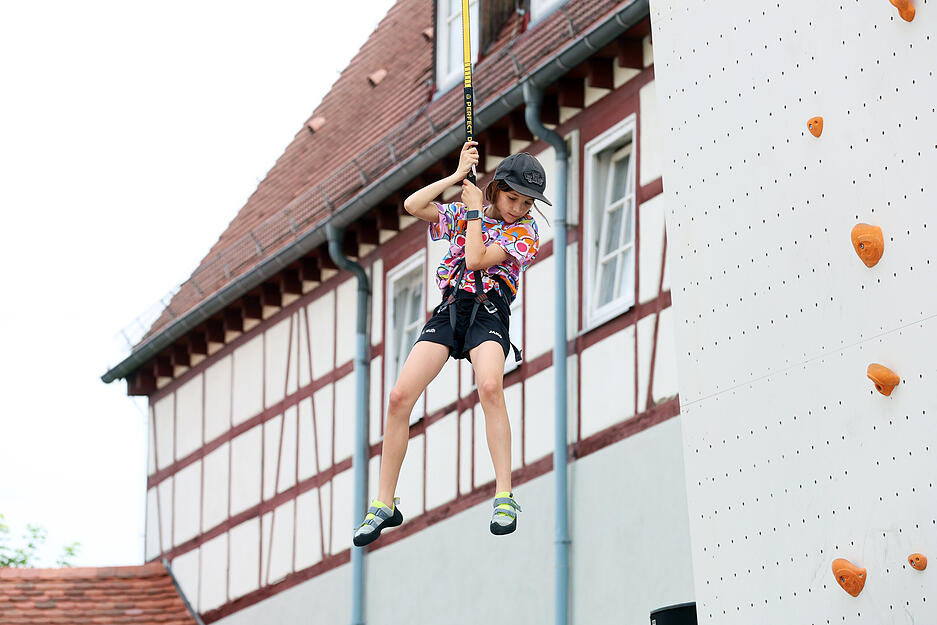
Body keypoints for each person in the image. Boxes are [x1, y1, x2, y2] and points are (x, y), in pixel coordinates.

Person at [353, 141, 550, 546]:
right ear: (496, 188)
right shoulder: (465, 211)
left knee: (491, 386)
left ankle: (504, 494)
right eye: (512, 198)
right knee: (398, 397)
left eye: (527, 203)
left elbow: (477, 258)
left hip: (490, 309)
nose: (518, 209)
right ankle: (384, 503)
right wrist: (457, 177)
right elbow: (413, 205)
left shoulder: (525, 232)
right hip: (451, 307)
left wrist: (477, 212)